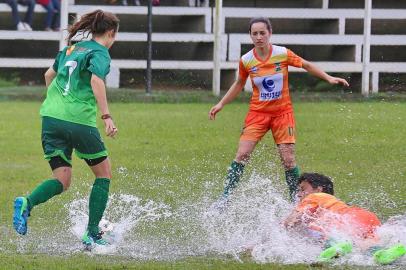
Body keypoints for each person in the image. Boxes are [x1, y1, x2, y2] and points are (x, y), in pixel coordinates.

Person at [208, 17, 349, 202]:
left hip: (282, 114)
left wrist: (328, 78)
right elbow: (239, 83)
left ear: (269, 34)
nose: (259, 37)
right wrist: (221, 104)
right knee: (242, 154)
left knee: (288, 159)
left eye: (262, 33)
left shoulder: (282, 53)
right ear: (250, 36)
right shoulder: (247, 60)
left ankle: (295, 200)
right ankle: (225, 198)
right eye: (254, 33)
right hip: (257, 114)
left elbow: (306, 64)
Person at [12, 9, 120, 249]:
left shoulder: (70, 49)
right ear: (111, 33)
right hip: (78, 120)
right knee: (103, 175)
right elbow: (96, 80)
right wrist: (107, 116)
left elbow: (48, 75)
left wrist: (56, 104)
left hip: (50, 118)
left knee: (62, 179)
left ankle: (27, 203)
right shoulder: (99, 52)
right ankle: (92, 233)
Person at [284, 173, 406, 264]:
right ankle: (381, 253)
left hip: (342, 218)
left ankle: (337, 244)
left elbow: (291, 221)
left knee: (325, 229)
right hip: (366, 216)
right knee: (365, 242)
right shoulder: (335, 202)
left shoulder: (315, 196)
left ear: (319, 189)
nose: (299, 194)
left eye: (303, 189)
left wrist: (281, 227)